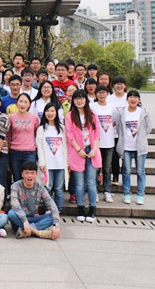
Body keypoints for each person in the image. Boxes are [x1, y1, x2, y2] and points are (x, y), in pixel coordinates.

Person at [66, 89, 102, 222]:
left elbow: (97, 133)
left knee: (91, 182)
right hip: (77, 152)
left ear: (86, 100)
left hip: (92, 150)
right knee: (79, 183)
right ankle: (80, 207)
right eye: (76, 98)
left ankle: (92, 208)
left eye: (82, 98)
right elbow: (69, 134)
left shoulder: (92, 115)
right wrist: (78, 149)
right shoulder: (70, 116)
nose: (79, 101)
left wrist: (94, 149)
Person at [114, 90, 152, 205]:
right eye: (130, 97)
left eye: (135, 97)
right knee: (126, 171)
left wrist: (141, 137)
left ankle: (140, 195)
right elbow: (119, 128)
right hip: (126, 146)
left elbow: (148, 128)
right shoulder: (122, 112)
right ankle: (127, 194)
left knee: (140, 171)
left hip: (140, 146)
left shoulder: (144, 112)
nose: (133, 99)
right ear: (127, 99)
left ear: (138, 99)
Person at [9, 161, 61, 239]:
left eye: (32, 173)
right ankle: (37, 232)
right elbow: (14, 204)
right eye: (27, 173)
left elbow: (51, 203)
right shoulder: (15, 186)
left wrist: (56, 225)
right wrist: (25, 221)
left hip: (33, 218)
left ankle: (25, 231)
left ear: (36, 174)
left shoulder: (40, 187)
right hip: (20, 220)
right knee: (11, 213)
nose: (30, 176)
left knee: (52, 217)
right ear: (22, 174)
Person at [36, 102, 68, 212]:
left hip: (60, 164)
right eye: (48, 111)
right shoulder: (41, 129)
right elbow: (39, 147)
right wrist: (41, 162)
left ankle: (57, 210)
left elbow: (66, 146)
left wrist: (68, 163)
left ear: (56, 113)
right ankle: (48, 210)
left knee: (59, 189)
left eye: (52, 111)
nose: (50, 113)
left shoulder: (62, 129)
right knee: (48, 187)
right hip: (47, 164)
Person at [91, 85, 116, 203]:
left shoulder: (112, 107)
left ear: (107, 94)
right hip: (96, 143)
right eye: (99, 92)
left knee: (107, 169)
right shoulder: (92, 107)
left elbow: (114, 122)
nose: (102, 95)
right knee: (96, 169)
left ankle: (107, 191)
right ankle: (95, 192)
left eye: (104, 92)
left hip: (109, 142)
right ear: (96, 94)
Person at [7, 93, 39, 183]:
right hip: (15, 151)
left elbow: (36, 134)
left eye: (25, 102)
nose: (22, 104)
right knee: (17, 178)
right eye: (21, 101)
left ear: (29, 104)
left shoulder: (34, 118)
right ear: (17, 103)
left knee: (29, 178)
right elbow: (8, 135)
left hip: (30, 152)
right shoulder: (11, 117)